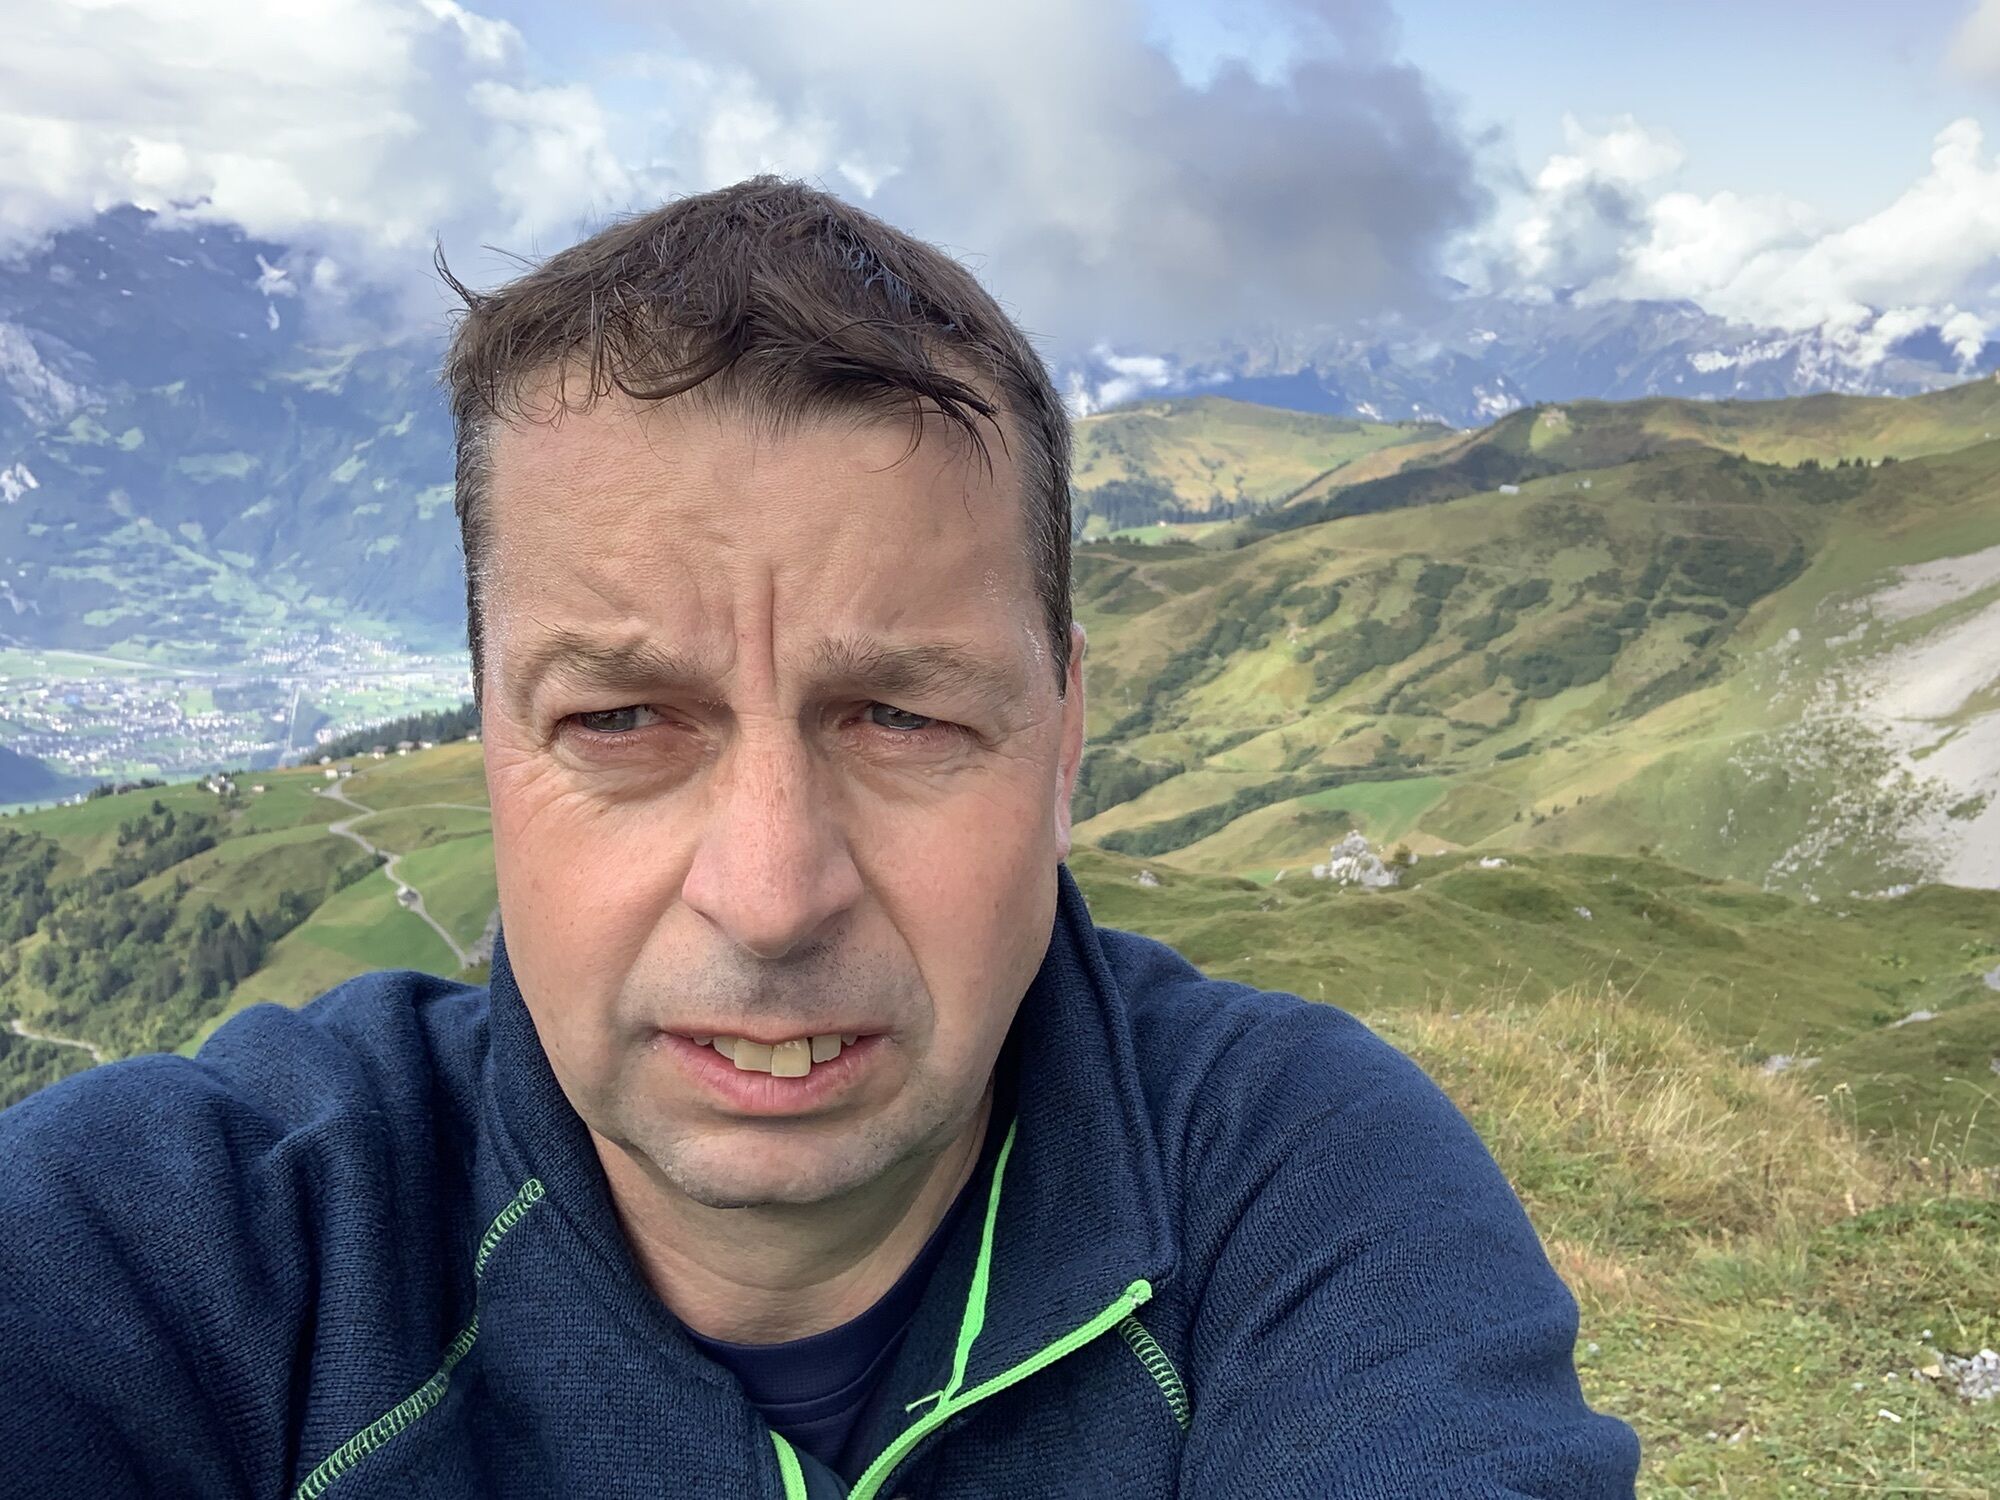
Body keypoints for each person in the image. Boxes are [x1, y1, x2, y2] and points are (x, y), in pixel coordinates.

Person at [0, 177, 1639, 1498]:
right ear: (487, 739)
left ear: (1065, 736)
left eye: (902, 717)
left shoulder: (1302, 1186)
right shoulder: (173, 1245)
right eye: (622, 720)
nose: (773, 896)